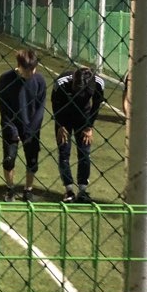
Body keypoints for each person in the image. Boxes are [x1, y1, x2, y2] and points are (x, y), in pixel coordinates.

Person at [0, 48, 46, 202]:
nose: (30, 73)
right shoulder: (5, 79)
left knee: (32, 161)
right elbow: (3, 107)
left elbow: (40, 108)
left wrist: (31, 130)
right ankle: (10, 188)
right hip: (10, 125)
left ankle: (28, 189)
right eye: (27, 70)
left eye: (33, 69)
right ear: (19, 65)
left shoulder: (39, 81)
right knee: (9, 159)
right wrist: (11, 129)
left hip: (32, 127)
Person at [51, 66, 105, 203]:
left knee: (85, 153)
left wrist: (89, 126)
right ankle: (69, 190)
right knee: (64, 152)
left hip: (83, 119)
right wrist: (60, 125)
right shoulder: (61, 83)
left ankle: (82, 190)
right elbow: (55, 104)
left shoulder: (98, 83)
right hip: (64, 117)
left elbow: (96, 105)